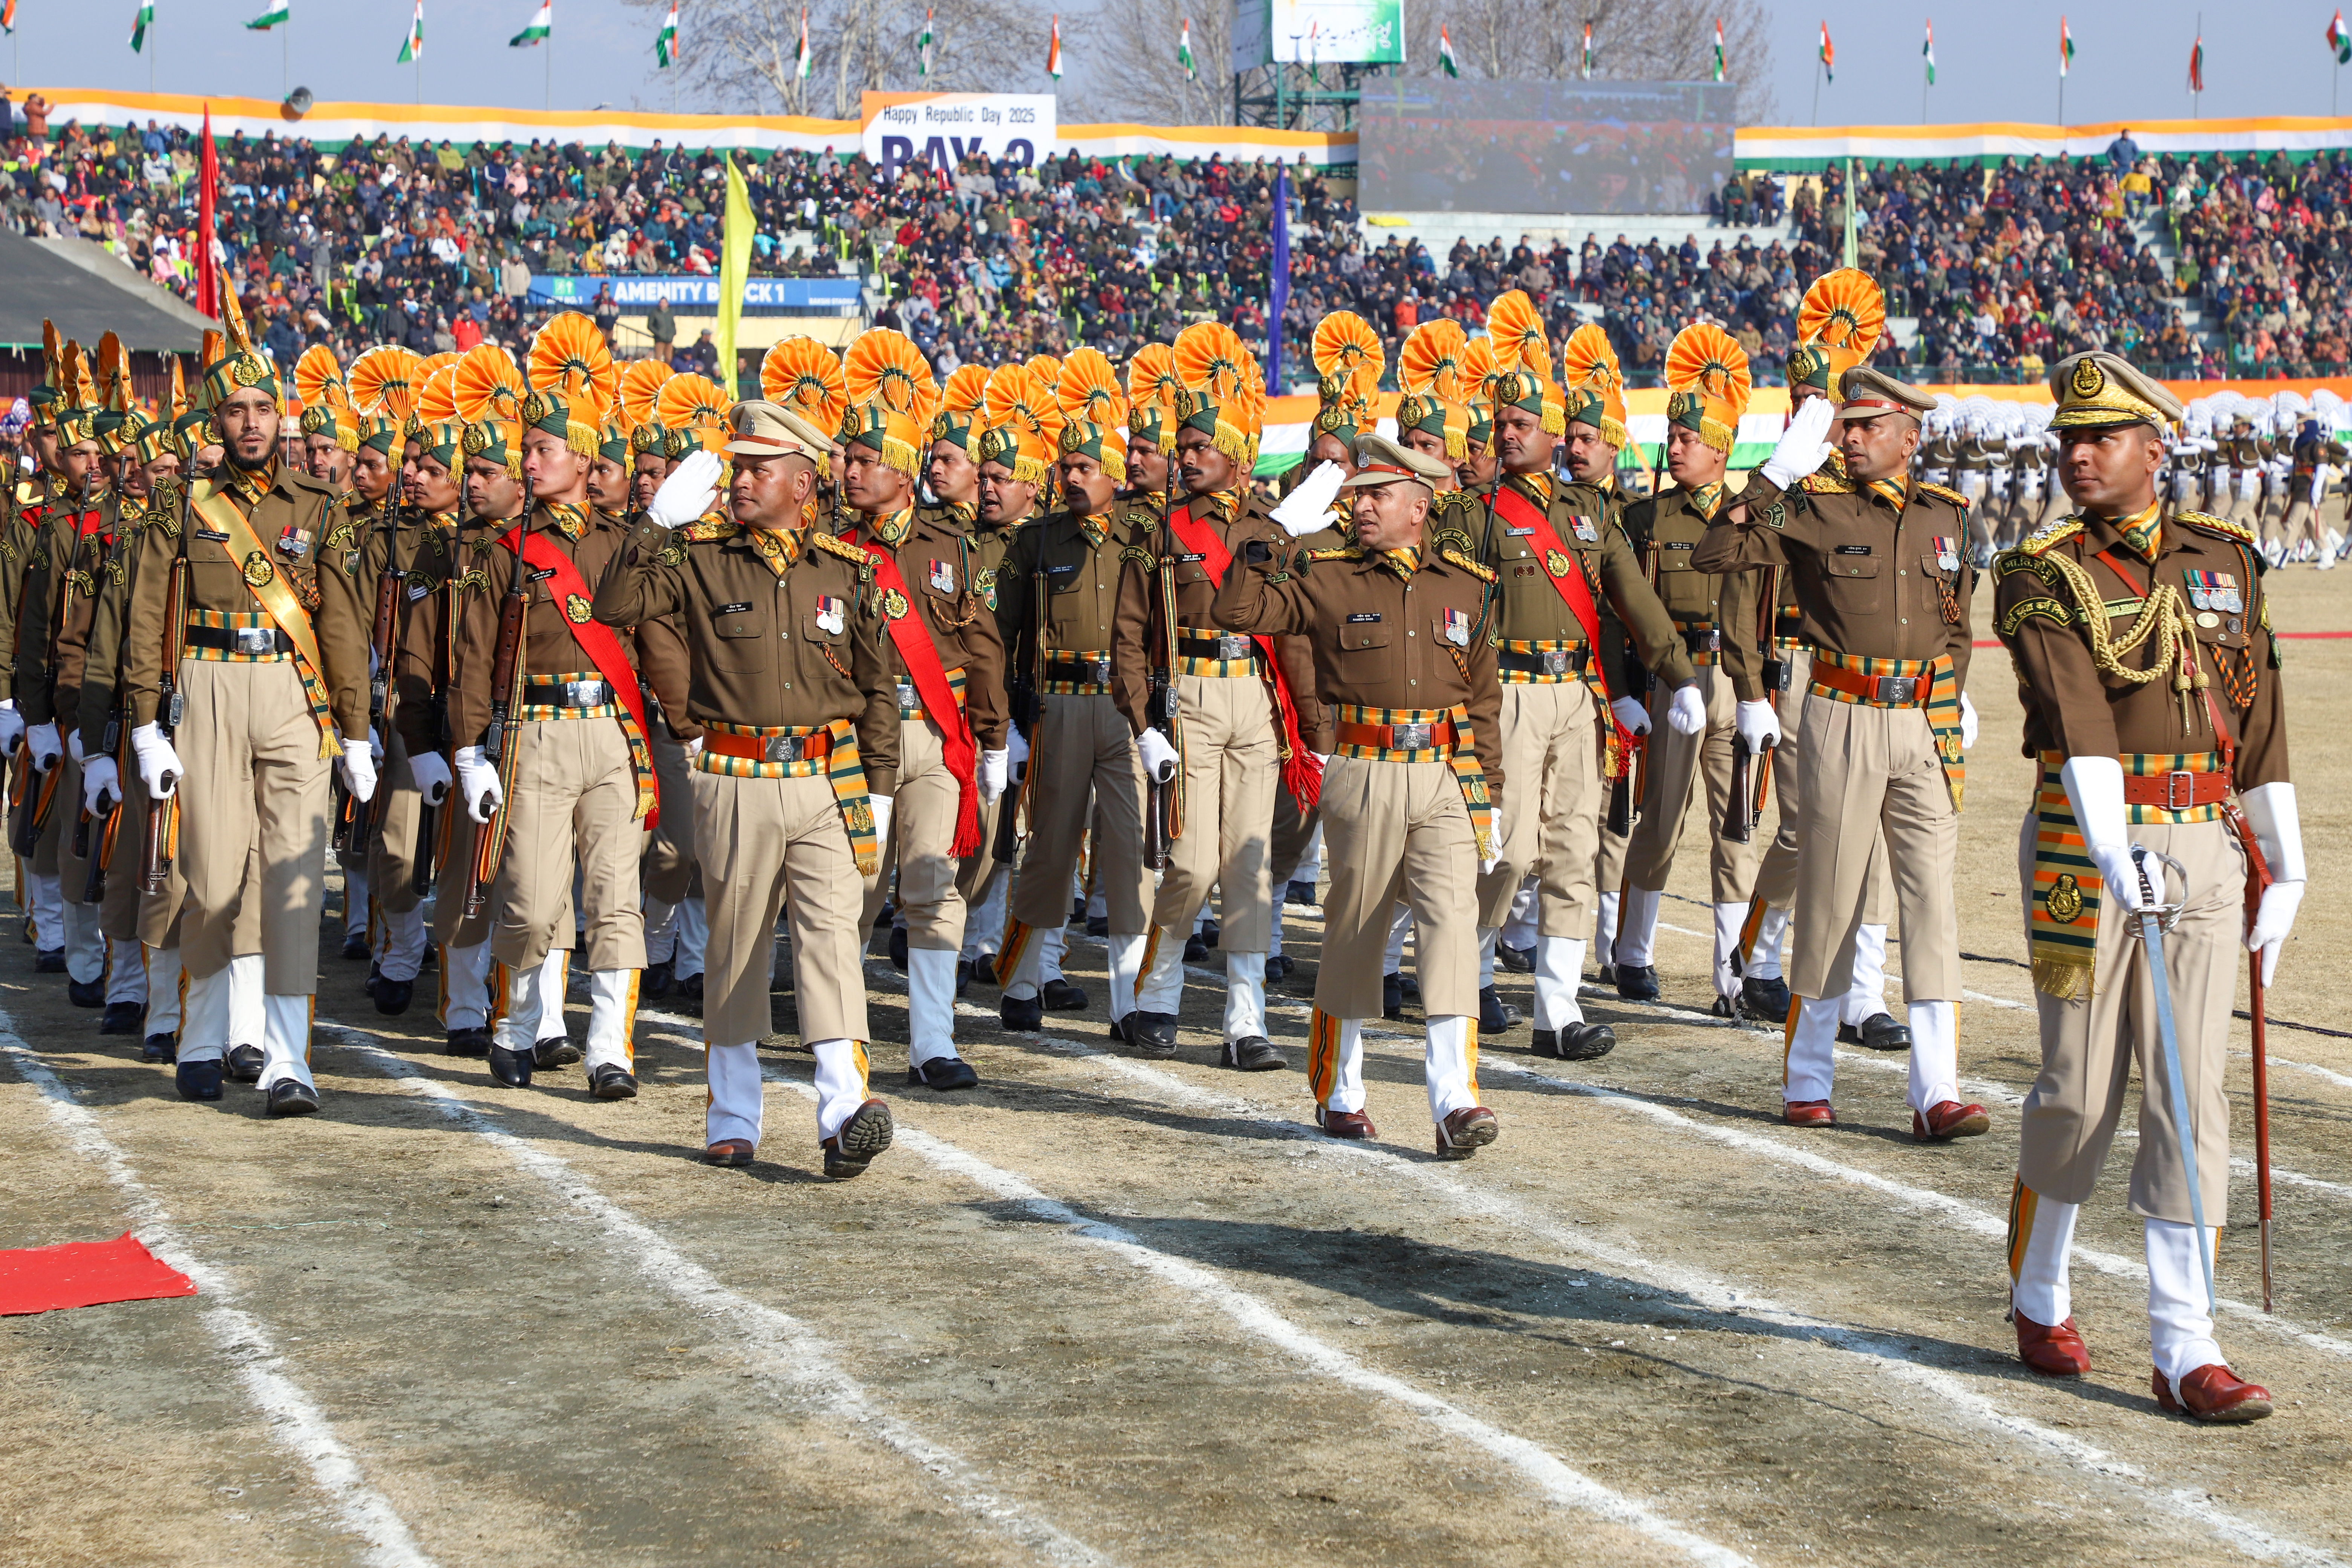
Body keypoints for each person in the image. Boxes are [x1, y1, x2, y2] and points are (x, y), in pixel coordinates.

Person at [1992, 349, 2300, 1423]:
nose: (2078, 456)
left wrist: (2286, 855)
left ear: (2154, 450)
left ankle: (2185, 1345)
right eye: (2068, 441)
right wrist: (2115, 844)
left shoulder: (2226, 561)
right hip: (2089, 845)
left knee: (2188, 1088)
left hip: (2203, 842)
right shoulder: (2040, 570)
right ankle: (2039, 1288)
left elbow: (2257, 716)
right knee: (2079, 1091)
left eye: (2101, 439)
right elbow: (2075, 716)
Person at [594, 400, 902, 1177]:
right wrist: (654, 526)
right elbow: (612, 609)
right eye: (738, 467)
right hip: (734, 774)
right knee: (735, 949)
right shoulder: (698, 557)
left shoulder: (847, 569)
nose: (740, 481)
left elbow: (877, 687)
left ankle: (842, 1112)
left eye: (758, 469)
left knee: (832, 942)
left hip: (829, 778)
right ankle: (733, 1116)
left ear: (802, 482)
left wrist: (885, 786)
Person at [1694, 364, 1987, 1141]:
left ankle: (1937, 1091)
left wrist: (1953, 696)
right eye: (1846, 426)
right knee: (1829, 896)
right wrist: (1776, 473)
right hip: (1841, 712)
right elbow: (1715, 553)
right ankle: (1808, 1078)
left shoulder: (1949, 517)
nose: (1849, 439)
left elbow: (1958, 623)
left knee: (1930, 902)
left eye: (1866, 427)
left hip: (1923, 721)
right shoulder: (1813, 508)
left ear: (1909, 436)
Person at [1211, 432, 1504, 1158]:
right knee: (1356, 929)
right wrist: (1275, 532)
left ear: (1419, 506)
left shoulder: (1465, 585)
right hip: (1363, 770)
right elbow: (1234, 615)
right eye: (1357, 493)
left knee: (1451, 922)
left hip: (1443, 770)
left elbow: (1484, 697)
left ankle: (1455, 1101)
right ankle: (1340, 1088)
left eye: (1377, 494)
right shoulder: (1328, 576)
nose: (1359, 504)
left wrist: (1489, 790)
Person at [120, 281, 374, 1114]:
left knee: (296, 878)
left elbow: (339, 622)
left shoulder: (321, 506)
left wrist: (356, 727)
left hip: (295, 695)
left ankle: (287, 1059)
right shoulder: (179, 505)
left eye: (266, 407)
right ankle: (199, 1037)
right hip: (208, 686)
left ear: (283, 417)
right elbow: (148, 614)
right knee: (210, 871)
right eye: (237, 409)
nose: (254, 422)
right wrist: (144, 724)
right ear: (214, 421)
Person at [1466, 306, 1697, 1050]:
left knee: (1573, 849)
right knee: (1512, 848)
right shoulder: (1476, 515)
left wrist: (1680, 677)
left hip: (1578, 698)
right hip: (1508, 695)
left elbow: (1635, 601)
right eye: (1501, 423)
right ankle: (1464, 971)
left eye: (1523, 422)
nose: (1508, 433)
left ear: (1552, 429)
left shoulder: (1593, 513)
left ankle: (1556, 1012)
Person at [446, 326, 651, 1096]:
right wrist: (470, 752)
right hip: (533, 733)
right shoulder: (507, 549)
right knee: (531, 900)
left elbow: (657, 644)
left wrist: (693, 730)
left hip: (615, 733)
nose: (527, 464)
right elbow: (473, 657)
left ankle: (609, 1049)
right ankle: (519, 1023)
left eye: (542, 450)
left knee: (613, 896)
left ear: (580, 460)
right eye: (525, 451)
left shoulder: (625, 544)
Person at [1113, 323, 1317, 1066]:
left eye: (1201, 449)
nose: (1188, 458)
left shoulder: (1268, 531)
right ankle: (1157, 991)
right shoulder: (1161, 532)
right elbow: (1128, 637)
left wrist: (1313, 727)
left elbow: (1291, 634)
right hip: (1191, 697)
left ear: (1235, 457)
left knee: (1249, 865)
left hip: (1256, 701)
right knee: (1193, 864)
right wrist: (1142, 722)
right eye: (1185, 448)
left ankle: (1244, 1021)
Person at [1723, 271, 1902, 1045]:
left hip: (1867, 676)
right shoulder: (1784, 483)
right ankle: (1758, 957)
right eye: (1802, 402)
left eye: (1824, 405)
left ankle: (1865, 993)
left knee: (1877, 837)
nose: (1814, 417)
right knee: (1804, 832)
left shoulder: (1876, 483)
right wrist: (1749, 685)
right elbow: (1737, 579)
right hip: (1795, 667)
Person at [832, 328, 1005, 1090]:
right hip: (855, 741)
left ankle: (932, 1040)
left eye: (864, 461)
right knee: (855, 889)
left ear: (901, 474)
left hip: (937, 735)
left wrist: (994, 740)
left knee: (933, 885)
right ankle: (842, 1035)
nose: (849, 471)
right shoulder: (829, 547)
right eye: (847, 459)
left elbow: (984, 647)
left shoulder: (951, 545)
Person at [990, 368, 1155, 1034]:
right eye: (1065, 468)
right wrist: (1009, 722)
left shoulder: (1145, 537)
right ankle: (1022, 980)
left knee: (1129, 850)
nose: (1072, 479)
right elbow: (1000, 636)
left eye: (1086, 466)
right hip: (1057, 704)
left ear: (1114, 471)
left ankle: (1129, 1003)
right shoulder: (1036, 542)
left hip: (1126, 705)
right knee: (1051, 849)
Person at [1610, 323, 1766, 1013]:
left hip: (1738, 684)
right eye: (1673, 439)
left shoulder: (1749, 520)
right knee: (1660, 818)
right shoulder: (1647, 519)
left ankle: (1732, 973)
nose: (1675, 448)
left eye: (1688, 440)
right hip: (1677, 685)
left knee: (1738, 826)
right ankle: (1633, 952)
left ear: (1721, 449)